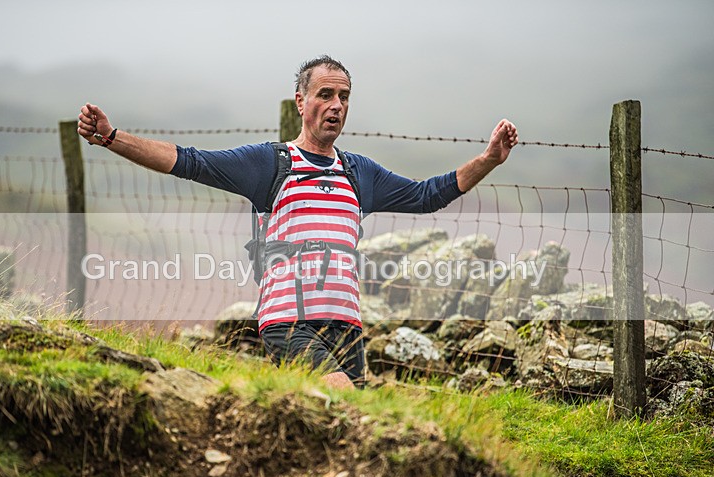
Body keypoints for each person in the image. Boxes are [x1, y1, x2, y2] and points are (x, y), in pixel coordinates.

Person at [77, 55, 518, 390]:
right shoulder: (270, 163)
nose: (336, 105)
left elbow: (427, 196)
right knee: (340, 396)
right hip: (288, 322)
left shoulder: (358, 172)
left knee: (350, 433)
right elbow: (188, 161)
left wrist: (489, 159)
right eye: (325, 94)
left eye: (344, 97)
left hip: (347, 327)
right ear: (301, 102)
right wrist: (112, 138)